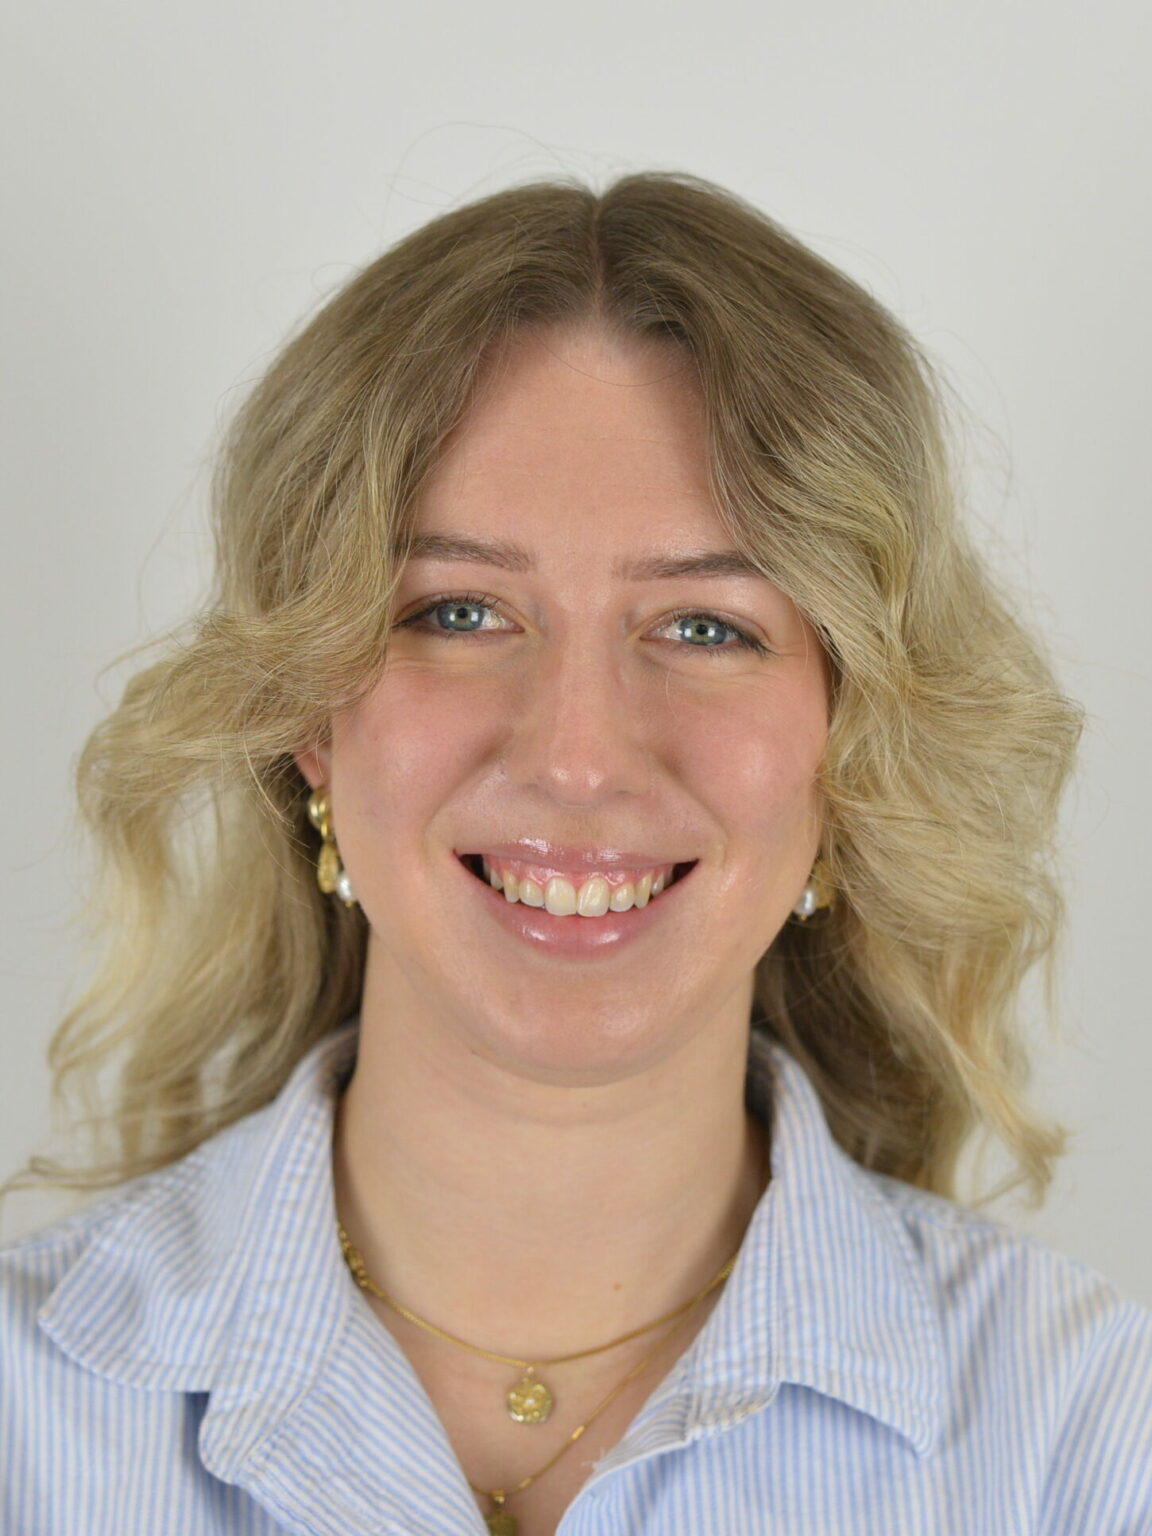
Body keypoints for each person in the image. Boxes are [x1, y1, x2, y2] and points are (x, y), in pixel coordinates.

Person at [2, 173, 1149, 1536]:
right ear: (306, 712)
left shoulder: (1084, 1439)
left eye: (707, 626)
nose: (580, 757)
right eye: (460, 612)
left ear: (855, 736)